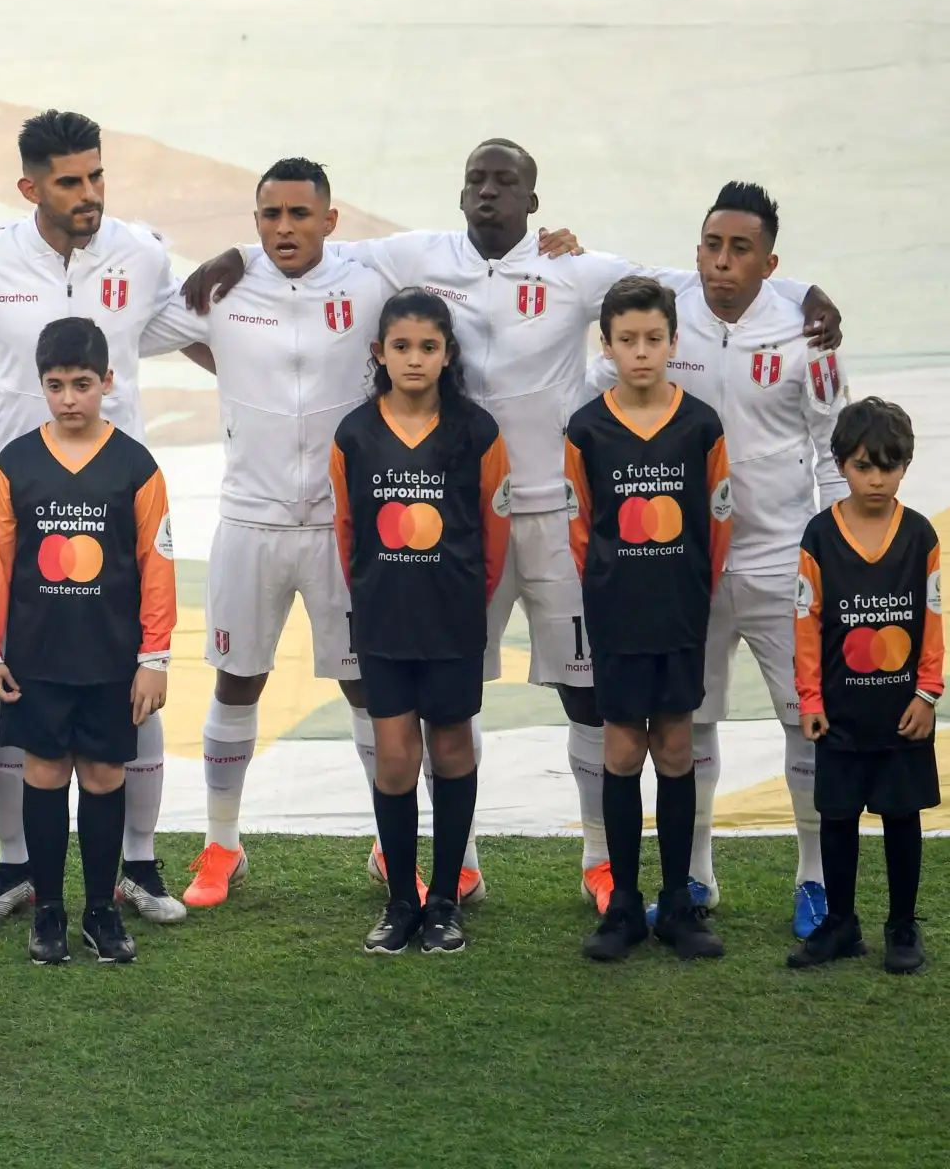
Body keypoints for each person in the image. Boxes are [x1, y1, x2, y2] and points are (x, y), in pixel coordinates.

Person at [182, 139, 841, 911]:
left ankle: (599, 861)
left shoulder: (575, 269)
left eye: (506, 182)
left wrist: (803, 294)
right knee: (448, 698)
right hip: (461, 523)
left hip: (558, 517)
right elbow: (314, 245)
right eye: (477, 180)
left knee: (588, 695)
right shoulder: (416, 256)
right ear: (461, 193)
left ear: (534, 200)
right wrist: (233, 252)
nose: (488, 192)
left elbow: (692, 281)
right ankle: (454, 859)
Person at [0, 109, 194, 926]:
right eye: (70, 181)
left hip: (116, 505)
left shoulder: (141, 255)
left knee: (129, 693)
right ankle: (16, 869)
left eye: (97, 176)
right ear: (29, 186)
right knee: (13, 695)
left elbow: (199, 319)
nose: (89, 194)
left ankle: (135, 867)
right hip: (12, 510)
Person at [135, 156, 402, 907]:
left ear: (329, 219)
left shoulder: (366, 281)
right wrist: (228, 343)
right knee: (237, 679)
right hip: (248, 521)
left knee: (361, 686)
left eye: (298, 215)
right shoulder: (227, 286)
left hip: (340, 525)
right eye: (269, 217)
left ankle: (390, 846)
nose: (284, 228)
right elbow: (148, 322)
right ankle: (222, 846)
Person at [584, 183, 848, 936]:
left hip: (776, 555)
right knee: (687, 721)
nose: (721, 263)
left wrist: (829, 552)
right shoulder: (665, 307)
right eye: (711, 245)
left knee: (805, 720)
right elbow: (604, 392)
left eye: (739, 250)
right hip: (681, 567)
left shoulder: (807, 328)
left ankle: (814, 880)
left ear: (769, 261)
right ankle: (694, 877)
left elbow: (832, 445)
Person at [0, 317, 177, 965]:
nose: (68, 398)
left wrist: (154, 658)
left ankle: (100, 913)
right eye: (56, 385)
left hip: (111, 659)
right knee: (43, 771)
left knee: (105, 774)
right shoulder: (17, 462)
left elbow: (156, 566)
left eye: (82, 384)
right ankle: (50, 913)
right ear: (41, 385)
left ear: (107, 382)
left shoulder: (136, 466)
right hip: (37, 657)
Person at [329, 289, 510, 954]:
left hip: (452, 620)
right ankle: (400, 900)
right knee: (397, 756)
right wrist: (376, 595)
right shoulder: (355, 433)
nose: (414, 359)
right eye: (401, 347)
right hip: (384, 622)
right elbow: (348, 531)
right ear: (379, 353)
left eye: (427, 347)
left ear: (447, 354)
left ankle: (445, 900)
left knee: (453, 748)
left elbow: (495, 530)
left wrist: (466, 598)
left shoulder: (477, 431)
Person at [566, 277, 731, 962]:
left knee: (673, 749)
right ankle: (624, 907)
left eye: (653, 340)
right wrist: (609, 591)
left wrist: (691, 590)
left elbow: (717, 523)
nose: (640, 352)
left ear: (673, 342)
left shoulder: (700, 425)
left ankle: (679, 905)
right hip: (618, 618)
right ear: (606, 345)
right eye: (626, 340)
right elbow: (581, 528)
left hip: (678, 615)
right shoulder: (587, 428)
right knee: (622, 751)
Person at [790, 399, 939, 975]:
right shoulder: (820, 535)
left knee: (903, 816)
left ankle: (902, 925)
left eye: (889, 465)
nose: (876, 478)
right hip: (841, 712)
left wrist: (927, 693)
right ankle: (841, 923)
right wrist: (810, 698)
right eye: (862, 465)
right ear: (840, 465)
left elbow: (932, 618)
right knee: (837, 816)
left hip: (903, 712)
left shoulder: (920, 534)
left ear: (905, 465)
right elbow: (806, 621)